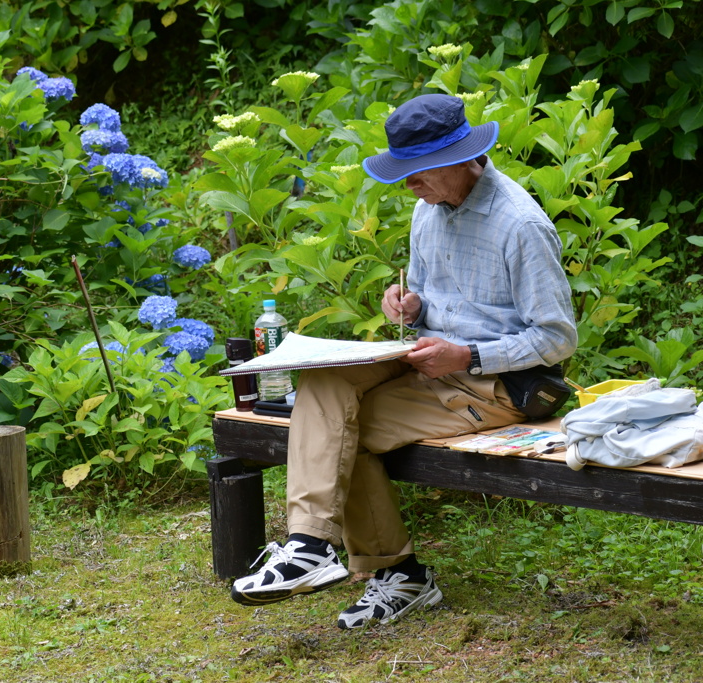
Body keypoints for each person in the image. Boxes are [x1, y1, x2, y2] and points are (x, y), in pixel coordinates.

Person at [230, 93, 578, 630]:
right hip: (427, 362)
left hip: (498, 386)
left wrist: (469, 354)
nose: (407, 184)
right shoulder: (427, 208)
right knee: (326, 385)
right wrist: (411, 307)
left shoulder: (520, 225)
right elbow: (430, 299)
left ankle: (400, 575)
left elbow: (557, 338)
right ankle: (310, 546)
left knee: (341, 432)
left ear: (462, 159)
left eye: (417, 172)